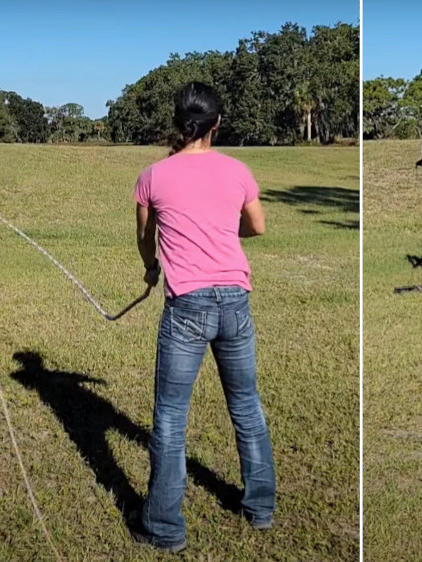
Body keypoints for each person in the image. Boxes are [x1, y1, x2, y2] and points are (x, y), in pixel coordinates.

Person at [131, 81, 275, 554]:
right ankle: (261, 508)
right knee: (247, 407)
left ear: (179, 123)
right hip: (236, 301)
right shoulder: (237, 171)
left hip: (186, 309)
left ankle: (165, 529)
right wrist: (219, 229)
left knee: (171, 419)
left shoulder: (153, 175)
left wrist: (152, 267)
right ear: (217, 124)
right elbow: (256, 226)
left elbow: (144, 235)